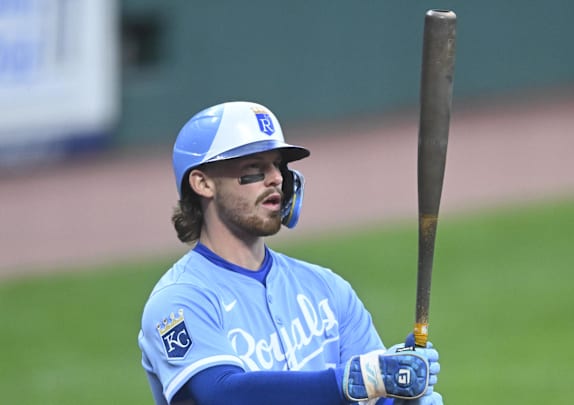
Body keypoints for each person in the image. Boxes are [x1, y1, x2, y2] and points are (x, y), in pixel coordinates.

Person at [137, 101, 443, 404]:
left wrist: (402, 392)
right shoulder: (179, 300)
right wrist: (354, 380)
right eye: (254, 168)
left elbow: (373, 391)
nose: (277, 179)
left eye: (278, 166)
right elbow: (221, 393)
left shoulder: (327, 289)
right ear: (203, 183)